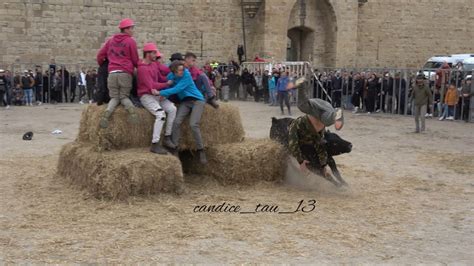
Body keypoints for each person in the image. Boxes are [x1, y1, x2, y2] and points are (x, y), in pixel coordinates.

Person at [288, 78, 344, 183]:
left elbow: (293, 144)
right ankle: (301, 85)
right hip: (320, 107)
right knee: (303, 106)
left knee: (304, 107)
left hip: (320, 107)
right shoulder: (315, 125)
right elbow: (320, 144)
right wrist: (323, 165)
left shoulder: (297, 125)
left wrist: (301, 162)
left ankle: (336, 112)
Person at [156, 60, 208, 164]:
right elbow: (168, 86)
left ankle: (200, 150)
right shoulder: (171, 76)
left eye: (182, 69)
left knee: (193, 124)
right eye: (179, 70)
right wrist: (163, 95)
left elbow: (177, 89)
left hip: (197, 100)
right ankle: (175, 147)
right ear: (174, 71)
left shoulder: (186, 76)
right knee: (176, 122)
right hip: (185, 102)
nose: (182, 71)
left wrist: (160, 92)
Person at [96, 18, 139, 128]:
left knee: (114, 97)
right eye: (131, 28)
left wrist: (103, 64)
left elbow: (100, 56)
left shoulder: (110, 41)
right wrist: (138, 68)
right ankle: (132, 113)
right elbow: (135, 59)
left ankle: (107, 113)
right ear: (126, 29)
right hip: (125, 72)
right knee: (124, 97)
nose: (133, 30)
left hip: (112, 73)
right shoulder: (130, 41)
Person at [137, 42, 177, 154]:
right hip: (146, 96)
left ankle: (167, 137)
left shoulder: (153, 64)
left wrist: (175, 72)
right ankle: (155, 143)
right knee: (161, 114)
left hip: (156, 94)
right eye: (154, 52)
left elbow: (160, 77)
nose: (156, 55)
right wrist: (167, 84)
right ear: (148, 53)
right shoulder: (142, 69)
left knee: (172, 109)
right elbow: (152, 85)